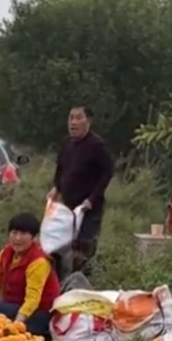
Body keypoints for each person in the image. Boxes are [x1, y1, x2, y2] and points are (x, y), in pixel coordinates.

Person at [0, 212, 60, 339]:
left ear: (34, 238)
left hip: (38, 313)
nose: (17, 238)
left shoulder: (39, 262)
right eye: (14, 233)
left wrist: (18, 323)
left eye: (23, 234)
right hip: (13, 305)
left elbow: (33, 299)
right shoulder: (6, 253)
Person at [48, 105, 115, 274]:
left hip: (88, 206)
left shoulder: (96, 145)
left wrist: (91, 199)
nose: (73, 122)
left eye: (78, 118)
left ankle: (85, 279)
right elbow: (61, 168)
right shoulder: (66, 143)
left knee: (84, 246)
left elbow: (108, 172)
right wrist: (56, 188)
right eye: (71, 118)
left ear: (88, 121)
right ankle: (60, 281)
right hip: (67, 205)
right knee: (60, 244)